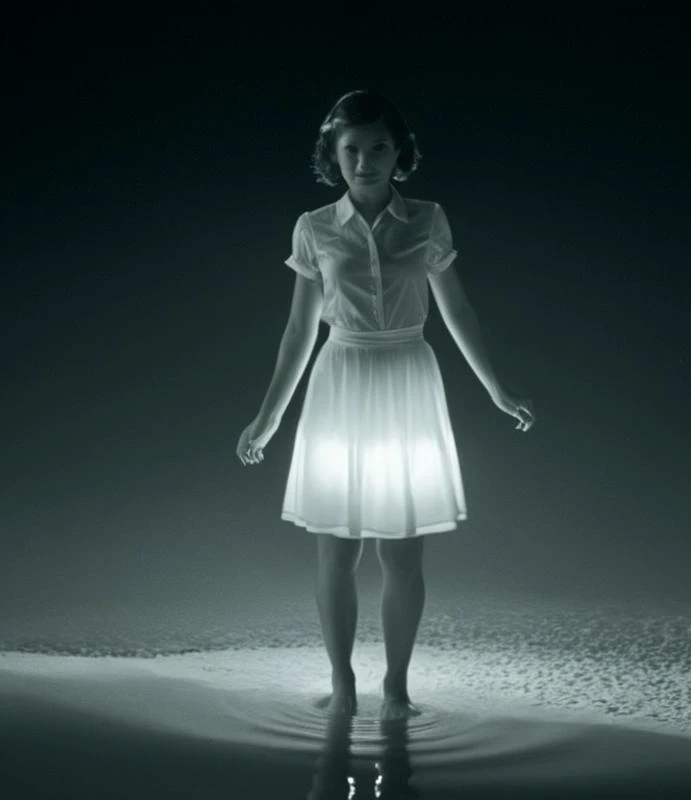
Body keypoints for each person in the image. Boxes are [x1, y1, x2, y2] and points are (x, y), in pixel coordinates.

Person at [237, 90, 534, 720]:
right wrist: (266, 419)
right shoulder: (314, 227)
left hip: (407, 379)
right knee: (335, 549)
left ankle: (396, 687)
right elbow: (300, 331)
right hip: (340, 381)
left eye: (377, 147)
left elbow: (456, 310)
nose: (364, 160)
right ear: (332, 156)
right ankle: (343, 685)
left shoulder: (427, 218)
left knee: (402, 551)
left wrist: (497, 389)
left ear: (399, 152)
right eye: (351, 149)